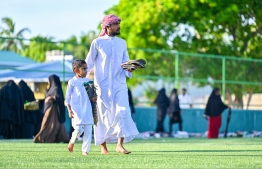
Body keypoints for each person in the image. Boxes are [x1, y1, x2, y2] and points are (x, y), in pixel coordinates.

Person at [85, 14, 139, 154]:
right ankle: (103, 147)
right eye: (116, 24)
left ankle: (119, 145)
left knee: (123, 111)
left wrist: (130, 68)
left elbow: (125, 63)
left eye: (119, 23)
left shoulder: (122, 43)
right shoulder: (97, 43)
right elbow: (89, 63)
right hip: (101, 85)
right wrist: (80, 81)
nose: (118, 26)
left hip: (119, 83)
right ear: (107, 26)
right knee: (102, 116)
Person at [66, 59, 96, 155]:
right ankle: (72, 141)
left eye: (86, 69)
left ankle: (85, 151)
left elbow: (92, 96)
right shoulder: (72, 82)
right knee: (79, 129)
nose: (86, 71)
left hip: (87, 109)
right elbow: (67, 98)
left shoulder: (89, 81)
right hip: (77, 110)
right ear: (76, 70)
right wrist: (69, 110)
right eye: (83, 69)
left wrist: (95, 98)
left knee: (88, 130)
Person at [34, 74, 69, 143]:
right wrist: (40, 101)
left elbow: (59, 98)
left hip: (54, 111)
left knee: (51, 125)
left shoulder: (56, 88)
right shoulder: (50, 89)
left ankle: (44, 138)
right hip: (49, 110)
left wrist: (51, 98)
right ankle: (62, 138)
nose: (48, 82)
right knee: (55, 125)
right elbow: (46, 99)